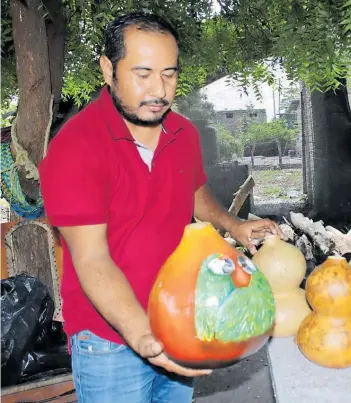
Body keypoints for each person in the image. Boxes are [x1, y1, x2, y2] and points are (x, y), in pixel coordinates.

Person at [38, 11, 285, 403]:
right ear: (108, 69)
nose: (159, 90)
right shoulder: (76, 149)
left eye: (168, 74)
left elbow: (193, 191)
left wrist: (232, 225)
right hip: (111, 338)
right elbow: (92, 260)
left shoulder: (183, 133)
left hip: (179, 319)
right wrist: (143, 336)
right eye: (143, 74)